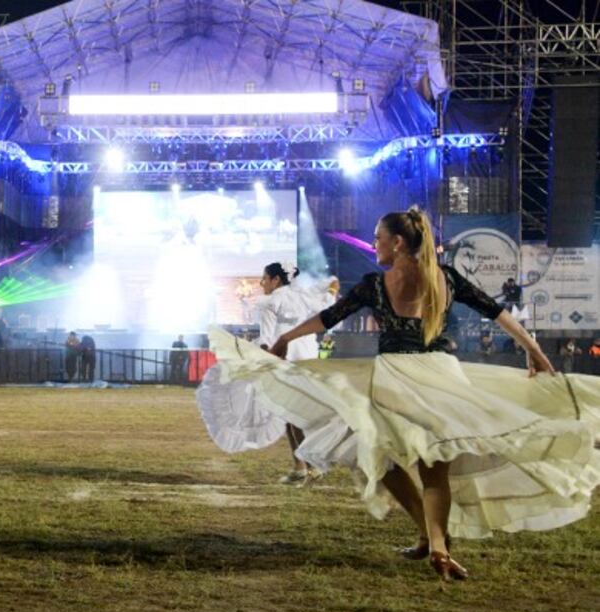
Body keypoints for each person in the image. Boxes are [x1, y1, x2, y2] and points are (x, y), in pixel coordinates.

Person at [199, 206, 600, 582]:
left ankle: (433, 539)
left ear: (398, 243)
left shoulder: (377, 284)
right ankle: (436, 544)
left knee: (383, 455)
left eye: (378, 239)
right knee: (431, 464)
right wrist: (535, 351)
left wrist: (287, 337)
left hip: (395, 375)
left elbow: (328, 318)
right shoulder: (447, 278)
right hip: (442, 375)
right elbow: (498, 313)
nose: (373, 245)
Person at [236, 263, 337, 486]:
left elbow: (267, 340)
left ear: (276, 280)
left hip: (286, 363)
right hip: (310, 362)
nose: (262, 283)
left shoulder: (270, 302)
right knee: (293, 417)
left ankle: (310, 466)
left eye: (264, 278)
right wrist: (331, 290)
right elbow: (329, 296)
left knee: (293, 417)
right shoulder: (304, 296)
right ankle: (303, 467)